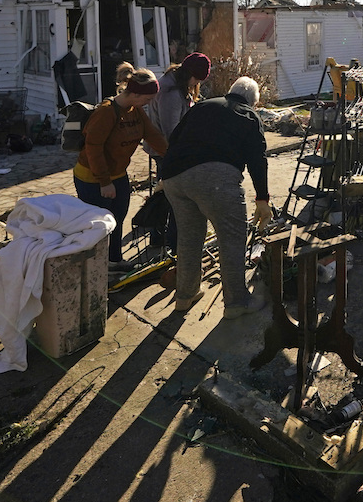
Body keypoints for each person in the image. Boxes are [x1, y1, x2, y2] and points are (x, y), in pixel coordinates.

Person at [159, 76, 271, 314]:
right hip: (215, 179)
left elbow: (175, 138)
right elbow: (257, 159)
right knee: (231, 238)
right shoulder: (249, 115)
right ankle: (237, 302)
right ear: (253, 101)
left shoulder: (202, 106)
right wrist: (263, 198)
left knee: (189, 238)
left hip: (174, 178)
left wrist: (164, 176)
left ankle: (185, 296)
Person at [75, 67, 167, 264]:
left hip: (118, 175)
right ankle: (96, 268)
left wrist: (175, 155)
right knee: (98, 226)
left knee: (117, 220)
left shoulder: (137, 111)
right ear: (134, 93)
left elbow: (153, 136)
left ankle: (115, 261)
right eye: (148, 98)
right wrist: (104, 182)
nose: (150, 103)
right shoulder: (106, 112)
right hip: (92, 178)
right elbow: (93, 147)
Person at [142, 52, 212, 253]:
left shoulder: (176, 82)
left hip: (169, 149)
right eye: (197, 79)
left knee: (164, 191)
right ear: (189, 73)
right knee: (172, 196)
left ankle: (159, 236)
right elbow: (171, 131)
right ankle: (168, 240)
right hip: (167, 150)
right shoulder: (171, 93)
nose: (196, 84)